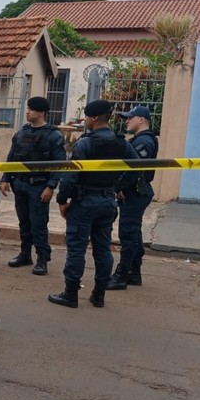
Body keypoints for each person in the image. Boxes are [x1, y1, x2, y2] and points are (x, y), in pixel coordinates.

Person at [48, 100, 137, 309]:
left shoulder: (85, 143)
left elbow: (71, 175)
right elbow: (137, 168)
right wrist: (117, 186)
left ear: (94, 118)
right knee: (103, 249)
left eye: (86, 117)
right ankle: (98, 295)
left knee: (77, 249)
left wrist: (62, 199)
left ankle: (70, 294)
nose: (85, 120)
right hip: (107, 202)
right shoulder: (122, 142)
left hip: (85, 202)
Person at [0, 96, 67, 275]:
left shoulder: (54, 136)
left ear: (42, 112)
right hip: (20, 184)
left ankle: (42, 259)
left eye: (31, 109)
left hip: (39, 186)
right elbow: (12, 157)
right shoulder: (21, 133)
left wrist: (51, 186)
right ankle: (25, 254)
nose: (27, 112)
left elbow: (59, 163)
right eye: (27, 108)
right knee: (24, 222)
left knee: (38, 224)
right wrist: (5, 178)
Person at [107, 105, 159, 290]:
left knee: (128, 234)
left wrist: (119, 187)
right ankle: (134, 273)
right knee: (134, 233)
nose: (126, 121)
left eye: (130, 118)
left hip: (135, 192)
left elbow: (134, 170)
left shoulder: (144, 141)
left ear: (141, 120)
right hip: (135, 191)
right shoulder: (141, 139)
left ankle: (121, 275)